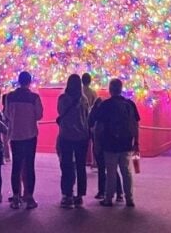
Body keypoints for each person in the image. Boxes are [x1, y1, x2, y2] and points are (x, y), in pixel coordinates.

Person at [88, 78, 140, 208]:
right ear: (121, 89)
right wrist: (136, 141)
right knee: (126, 171)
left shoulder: (106, 105)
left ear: (110, 90)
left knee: (110, 171)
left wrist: (98, 142)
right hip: (126, 142)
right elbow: (134, 124)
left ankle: (108, 198)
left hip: (110, 143)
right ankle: (129, 198)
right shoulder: (129, 104)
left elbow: (99, 125)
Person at [4, 70, 43, 209]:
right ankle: (29, 197)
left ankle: (16, 197)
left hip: (15, 135)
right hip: (30, 135)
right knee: (29, 166)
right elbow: (39, 116)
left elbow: (7, 114)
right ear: (29, 81)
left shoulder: (10, 97)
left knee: (16, 166)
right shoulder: (34, 97)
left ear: (19, 81)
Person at [56, 74, 90, 208]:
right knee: (81, 166)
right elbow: (87, 115)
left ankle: (67, 194)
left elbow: (60, 112)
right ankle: (80, 195)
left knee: (67, 165)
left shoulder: (63, 99)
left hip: (67, 135)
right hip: (82, 136)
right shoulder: (84, 99)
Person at [89, 95, 122, 201]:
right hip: (108, 144)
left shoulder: (94, 117)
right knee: (112, 169)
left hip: (100, 145)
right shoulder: (108, 114)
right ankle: (119, 193)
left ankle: (102, 192)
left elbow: (93, 130)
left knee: (102, 169)